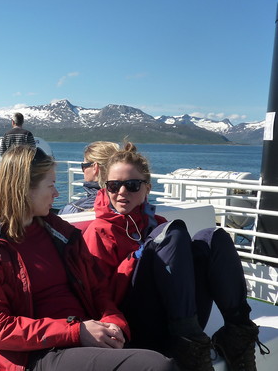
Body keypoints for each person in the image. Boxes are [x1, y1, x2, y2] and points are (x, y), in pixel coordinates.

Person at [0, 145, 178, 371]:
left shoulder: (62, 235)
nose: (56, 194)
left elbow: (98, 290)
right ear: (24, 189)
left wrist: (115, 323)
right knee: (157, 366)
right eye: (51, 185)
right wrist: (76, 332)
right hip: (35, 355)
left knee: (167, 352)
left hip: (83, 337)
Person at [83, 142, 268, 371]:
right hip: (137, 326)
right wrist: (135, 259)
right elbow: (98, 295)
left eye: (132, 185)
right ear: (105, 188)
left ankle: (238, 332)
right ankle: (186, 343)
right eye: (114, 185)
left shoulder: (157, 225)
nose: (122, 192)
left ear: (147, 188)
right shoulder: (99, 232)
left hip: (180, 324)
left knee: (213, 237)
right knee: (174, 232)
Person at [59, 141, 119, 215]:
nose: (83, 171)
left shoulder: (73, 210)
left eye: (83, 166)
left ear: (95, 167)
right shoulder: (128, 203)